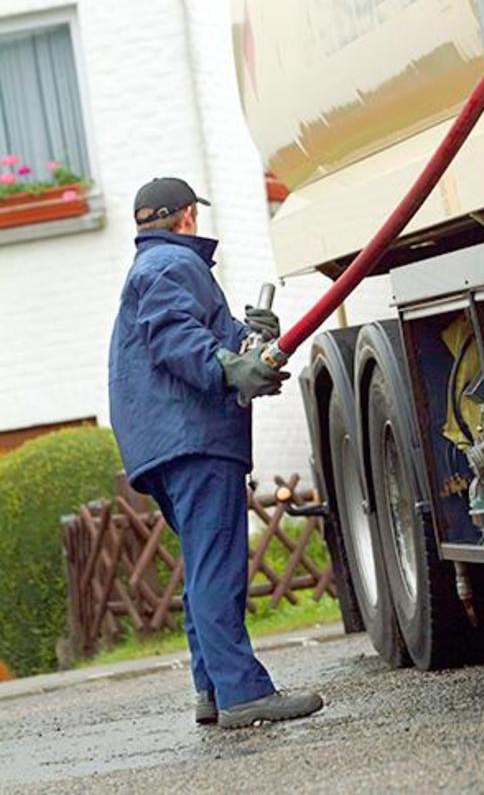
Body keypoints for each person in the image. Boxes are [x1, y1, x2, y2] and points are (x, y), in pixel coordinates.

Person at [108, 176, 323, 729]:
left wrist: (248, 341)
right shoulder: (171, 266)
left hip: (171, 440)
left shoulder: (156, 268)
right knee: (218, 567)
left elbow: (199, 339)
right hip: (194, 439)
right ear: (186, 218)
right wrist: (230, 365)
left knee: (203, 565)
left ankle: (211, 688)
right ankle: (243, 693)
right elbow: (176, 337)